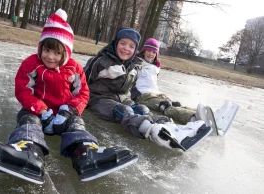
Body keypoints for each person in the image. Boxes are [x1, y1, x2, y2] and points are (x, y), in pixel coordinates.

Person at [0, 9, 138, 185]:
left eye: (57, 53)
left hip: (64, 115)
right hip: (39, 112)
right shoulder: (31, 64)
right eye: (47, 50)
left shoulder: (74, 69)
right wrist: (40, 109)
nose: (50, 57)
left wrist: (69, 110)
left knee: (77, 124)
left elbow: (83, 93)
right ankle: (29, 150)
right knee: (27, 119)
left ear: (66, 52)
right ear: (41, 47)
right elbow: (23, 89)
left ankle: (84, 153)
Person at [84, 27, 213, 152]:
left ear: (135, 50)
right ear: (115, 43)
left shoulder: (134, 66)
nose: (126, 49)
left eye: (131, 46)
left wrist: (131, 100)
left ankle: (172, 128)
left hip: (122, 98)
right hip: (99, 99)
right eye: (123, 43)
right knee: (124, 111)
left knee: (142, 109)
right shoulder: (101, 62)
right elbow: (82, 80)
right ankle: (153, 132)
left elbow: (129, 88)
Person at [131, 38, 210, 125]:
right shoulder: (137, 64)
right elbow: (130, 82)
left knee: (175, 105)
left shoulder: (155, 67)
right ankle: (192, 118)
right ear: (144, 50)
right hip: (143, 96)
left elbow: (152, 84)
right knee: (166, 107)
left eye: (154, 52)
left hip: (156, 94)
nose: (151, 54)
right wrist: (134, 96)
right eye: (149, 51)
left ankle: (203, 113)